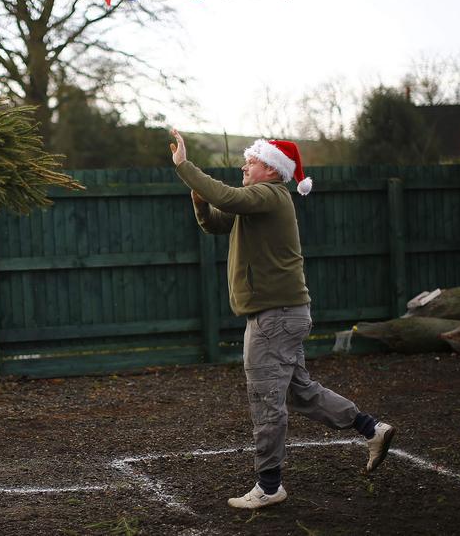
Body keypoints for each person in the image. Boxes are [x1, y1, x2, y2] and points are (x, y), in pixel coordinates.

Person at [168, 128, 395, 510]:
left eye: (251, 161)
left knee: (265, 400)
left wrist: (184, 167)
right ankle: (371, 428)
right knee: (299, 391)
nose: (244, 165)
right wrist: (200, 202)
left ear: (272, 170)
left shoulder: (268, 196)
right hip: (284, 315)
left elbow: (225, 195)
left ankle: (269, 485)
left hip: (273, 319)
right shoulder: (260, 202)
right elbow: (216, 222)